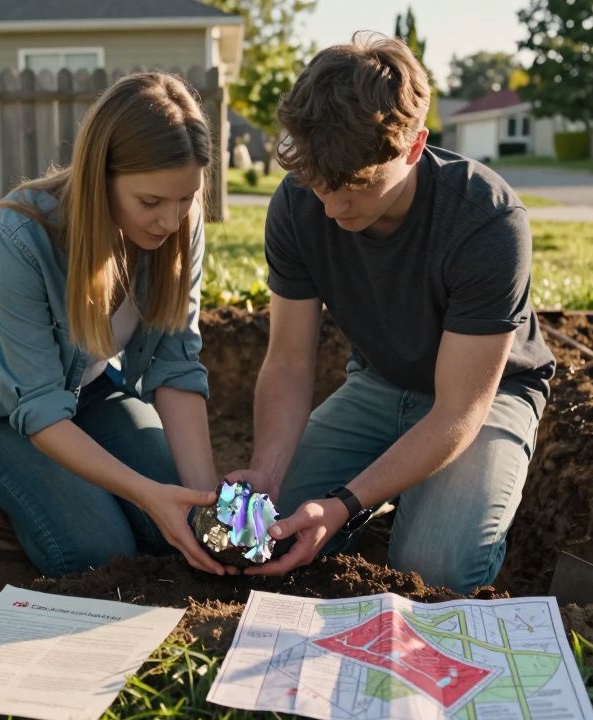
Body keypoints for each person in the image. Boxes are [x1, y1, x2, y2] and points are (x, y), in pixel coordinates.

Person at [229, 35, 557, 592]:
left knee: (433, 569)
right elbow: (287, 362)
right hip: (379, 384)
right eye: (319, 184)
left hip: (485, 398)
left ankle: (467, 504)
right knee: (266, 529)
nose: (332, 208)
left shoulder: (486, 220)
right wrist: (267, 471)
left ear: (414, 146)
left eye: (356, 186)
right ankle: (395, 495)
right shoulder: (297, 204)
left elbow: (458, 409)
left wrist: (343, 504)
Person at [0, 72, 234, 577]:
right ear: (101, 177)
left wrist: (205, 509)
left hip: (90, 394)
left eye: (185, 198)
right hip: (0, 413)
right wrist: (147, 494)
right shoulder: (21, 234)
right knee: (102, 552)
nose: (170, 220)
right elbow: (37, 405)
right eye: (150, 202)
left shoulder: (180, 226)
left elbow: (176, 367)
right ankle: (7, 508)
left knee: (179, 528)